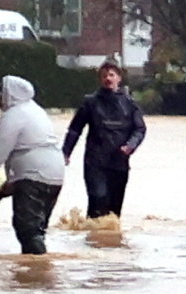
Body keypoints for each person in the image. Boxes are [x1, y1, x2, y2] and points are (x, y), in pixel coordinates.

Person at [0, 72, 68, 256]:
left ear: (8, 94)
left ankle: (37, 271)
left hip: (33, 175)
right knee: (38, 229)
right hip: (55, 176)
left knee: (27, 229)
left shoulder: (14, 114)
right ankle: (36, 274)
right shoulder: (36, 111)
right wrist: (5, 187)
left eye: (0, 95)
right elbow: (28, 148)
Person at [60, 62, 145, 233]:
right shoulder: (90, 102)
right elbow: (75, 129)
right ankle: (94, 244)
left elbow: (140, 129)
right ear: (100, 79)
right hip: (95, 161)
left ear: (119, 78)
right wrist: (65, 152)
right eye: (104, 75)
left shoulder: (129, 103)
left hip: (119, 162)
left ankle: (111, 248)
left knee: (114, 210)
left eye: (112, 75)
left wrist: (130, 146)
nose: (108, 79)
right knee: (98, 199)